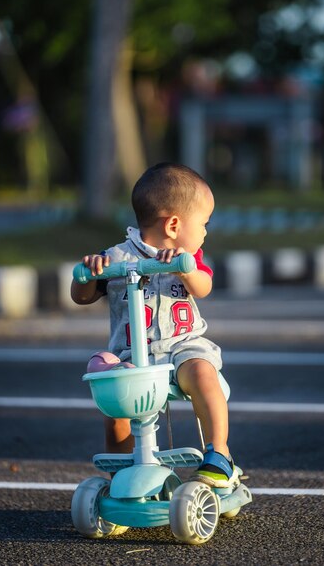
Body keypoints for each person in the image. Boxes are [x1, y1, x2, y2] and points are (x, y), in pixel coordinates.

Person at [71, 162, 238, 489]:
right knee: (115, 404)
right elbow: (82, 296)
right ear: (174, 224)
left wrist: (185, 270)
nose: (205, 231)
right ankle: (122, 477)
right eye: (203, 223)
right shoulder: (116, 258)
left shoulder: (189, 255)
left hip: (182, 348)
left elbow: (203, 286)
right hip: (132, 355)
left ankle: (219, 452)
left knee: (202, 371)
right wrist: (88, 274)